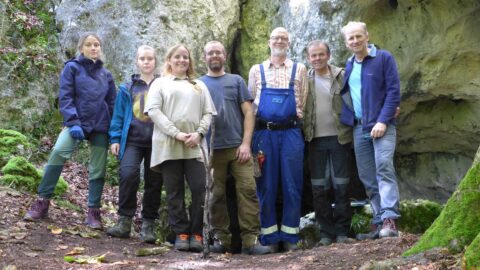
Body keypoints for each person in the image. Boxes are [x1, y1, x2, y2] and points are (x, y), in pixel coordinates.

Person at [24, 32, 117, 229]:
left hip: (100, 125)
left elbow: (112, 103)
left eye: (97, 45)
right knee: (58, 152)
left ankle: (94, 212)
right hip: (76, 122)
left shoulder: (106, 75)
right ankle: (42, 202)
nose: (94, 48)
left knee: (98, 168)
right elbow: (65, 97)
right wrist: (73, 122)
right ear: (81, 48)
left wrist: (112, 130)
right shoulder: (72, 68)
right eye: (89, 45)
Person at [198, 41, 271, 255]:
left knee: (248, 191)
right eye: (210, 52)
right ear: (205, 57)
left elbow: (249, 112)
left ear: (225, 55)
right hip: (212, 151)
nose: (214, 56)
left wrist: (246, 143)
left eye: (218, 52)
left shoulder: (236, 81)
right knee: (215, 194)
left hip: (239, 148)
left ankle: (251, 241)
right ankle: (221, 239)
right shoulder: (198, 84)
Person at [145, 44, 216, 253]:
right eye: (177, 57)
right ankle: (181, 233)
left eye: (185, 57)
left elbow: (208, 113)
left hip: (195, 146)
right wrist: (176, 133)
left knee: (199, 188)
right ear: (169, 60)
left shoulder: (199, 85)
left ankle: (197, 233)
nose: (182, 60)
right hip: (168, 145)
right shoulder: (160, 83)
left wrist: (199, 133)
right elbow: (154, 111)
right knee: (174, 191)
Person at [248, 27, 308, 252]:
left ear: (289, 43)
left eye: (284, 38)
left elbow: (303, 102)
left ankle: (291, 236)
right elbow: (251, 104)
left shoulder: (299, 69)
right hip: (263, 134)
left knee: (292, 183)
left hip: (291, 132)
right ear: (269, 42)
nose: (279, 41)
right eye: (276, 37)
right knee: (266, 185)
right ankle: (269, 239)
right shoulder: (257, 70)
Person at [339, 21, 401, 239]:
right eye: (351, 38)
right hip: (359, 127)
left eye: (358, 36)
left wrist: (383, 120)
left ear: (367, 36)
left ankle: (390, 219)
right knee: (367, 176)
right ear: (347, 43)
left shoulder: (383, 58)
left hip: (383, 125)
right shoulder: (349, 65)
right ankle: (377, 220)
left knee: (383, 167)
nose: (355, 41)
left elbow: (394, 92)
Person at [106, 45, 163, 243]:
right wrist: (114, 138)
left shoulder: (163, 85)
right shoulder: (127, 87)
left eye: (150, 58)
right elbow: (119, 115)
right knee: (128, 175)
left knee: (154, 182)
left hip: (157, 142)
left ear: (155, 61)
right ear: (137, 62)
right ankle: (124, 222)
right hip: (132, 141)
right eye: (142, 59)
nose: (146, 62)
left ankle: (148, 225)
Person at [303, 40, 354, 246]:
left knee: (341, 185)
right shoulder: (304, 79)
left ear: (328, 55)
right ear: (308, 58)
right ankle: (325, 233)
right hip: (314, 140)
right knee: (319, 188)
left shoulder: (341, 75)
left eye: (321, 54)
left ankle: (342, 232)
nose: (317, 58)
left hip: (340, 137)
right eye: (313, 55)